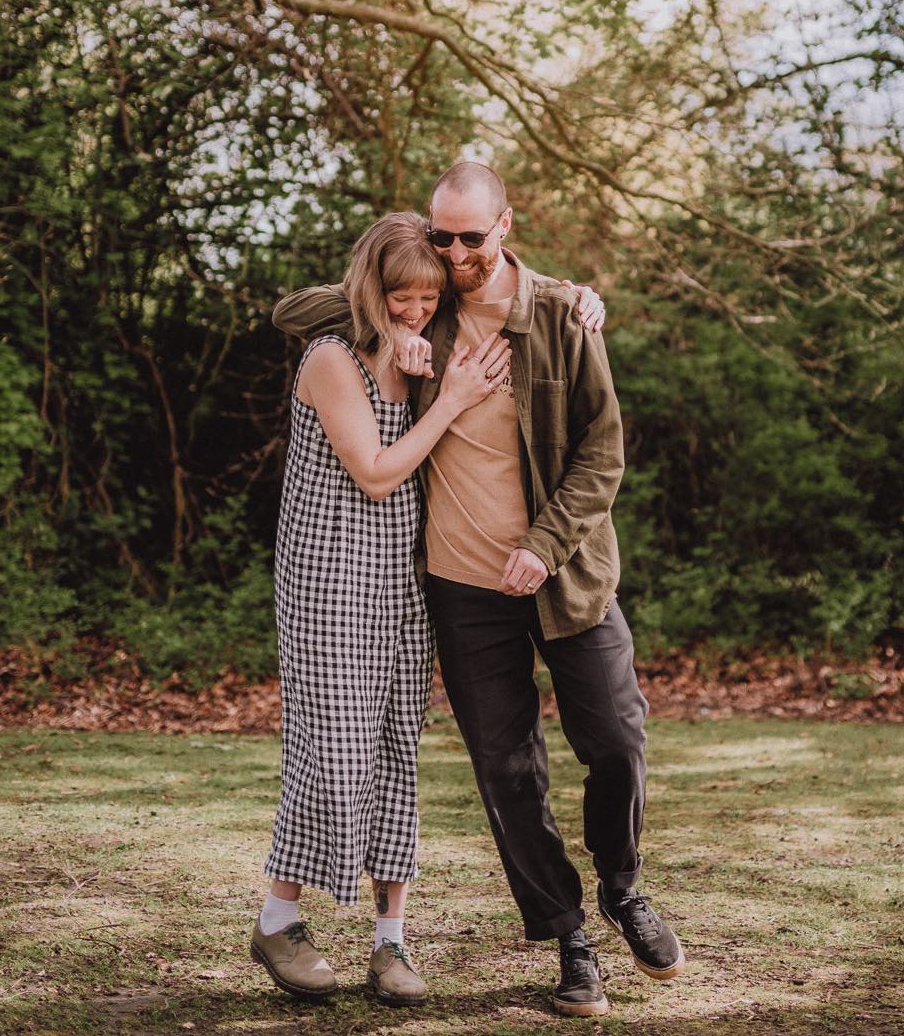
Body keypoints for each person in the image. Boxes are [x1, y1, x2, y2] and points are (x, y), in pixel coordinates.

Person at [274, 161, 684, 1019]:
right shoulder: (420, 303)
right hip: (461, 588)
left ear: (507, 225)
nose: (453, 252)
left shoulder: (563, 316)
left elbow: (603, 453)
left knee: (614, 740)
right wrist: (394, 315)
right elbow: (297, 311)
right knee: (507, 772)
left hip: (566, 573)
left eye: (469, 235)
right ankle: (570, 938)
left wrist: (544, 543)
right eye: (440, 235)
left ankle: (622, 887)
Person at [251, 211, 512, 1008]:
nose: (416, 310)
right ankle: (276, 920)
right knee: (333, 755)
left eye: (428, 295)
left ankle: (391, 944)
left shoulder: (420, 353)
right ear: (371, 288)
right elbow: (375, 472)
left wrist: (582, 299)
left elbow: (505, 282)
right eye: (400, 296)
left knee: (397, 750)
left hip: (403, 583)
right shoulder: (332, 360)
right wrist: (452, 397)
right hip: (330, 583)